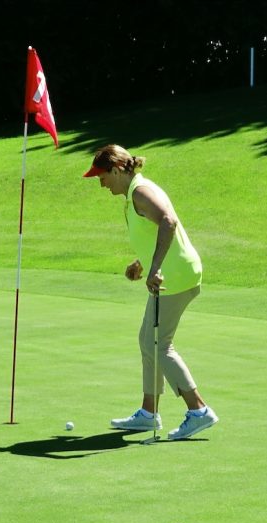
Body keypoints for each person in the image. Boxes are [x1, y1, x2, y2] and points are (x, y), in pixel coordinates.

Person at [83, 145, 218, 440]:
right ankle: (148, 413)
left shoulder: (141, 193)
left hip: (175, 277)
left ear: (116, 170)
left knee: (159, 345)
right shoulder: (137, 192)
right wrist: (142, 263)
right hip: (172, 274)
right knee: (148, 340)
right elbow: (155, 231)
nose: (101, 184)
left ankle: (199, 410)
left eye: (102, 177)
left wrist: (155, 267)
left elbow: (168, 222)